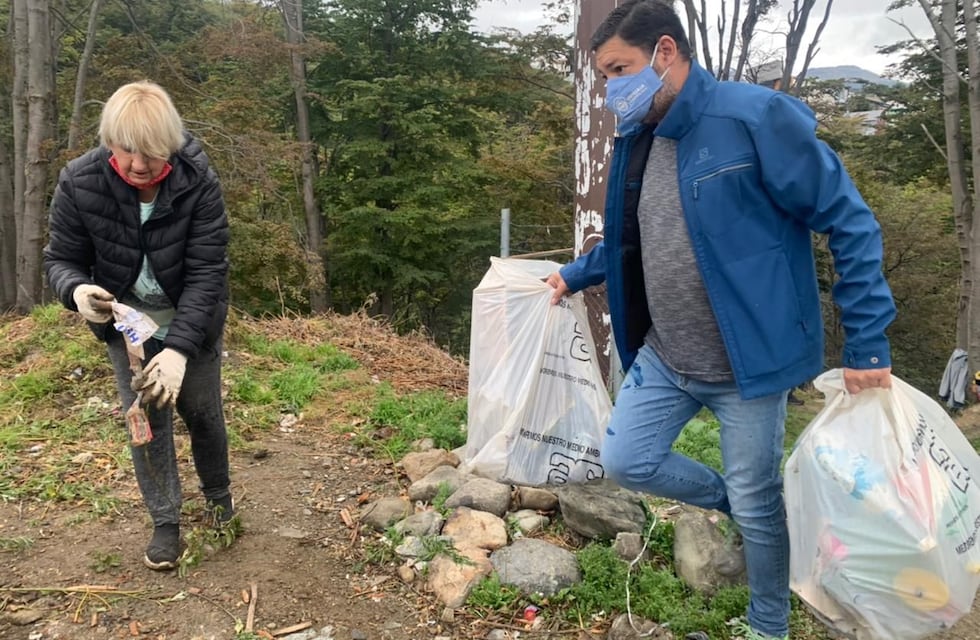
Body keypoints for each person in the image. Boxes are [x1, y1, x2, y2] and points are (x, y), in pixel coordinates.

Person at [545, 2, 896, 638]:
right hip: (667, 352)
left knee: (758, 503)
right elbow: (636, 235)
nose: (612, 91)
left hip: (748, 364)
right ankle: (747, 508)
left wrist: (868, 343)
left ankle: (768, 625)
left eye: (619, 70)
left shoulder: (753, 116)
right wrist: (576, 272)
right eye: (604, 78)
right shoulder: (639, 137)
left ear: (666, 53)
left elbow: (849, 219)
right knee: (628, 460)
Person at [44, 80, 234, 571]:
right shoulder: (79, 180)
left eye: (150, 151)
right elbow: (61, 258)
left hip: (194, 319)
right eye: (126, 149)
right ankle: (165, 521)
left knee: (202, 412)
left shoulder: (197, 180)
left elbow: (207, 272)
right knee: (145, 420)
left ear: (169, 142)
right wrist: (77, 291)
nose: (138, 164)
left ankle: (219, 499)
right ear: (110, 140)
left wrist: (179, 350)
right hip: (127, 328)